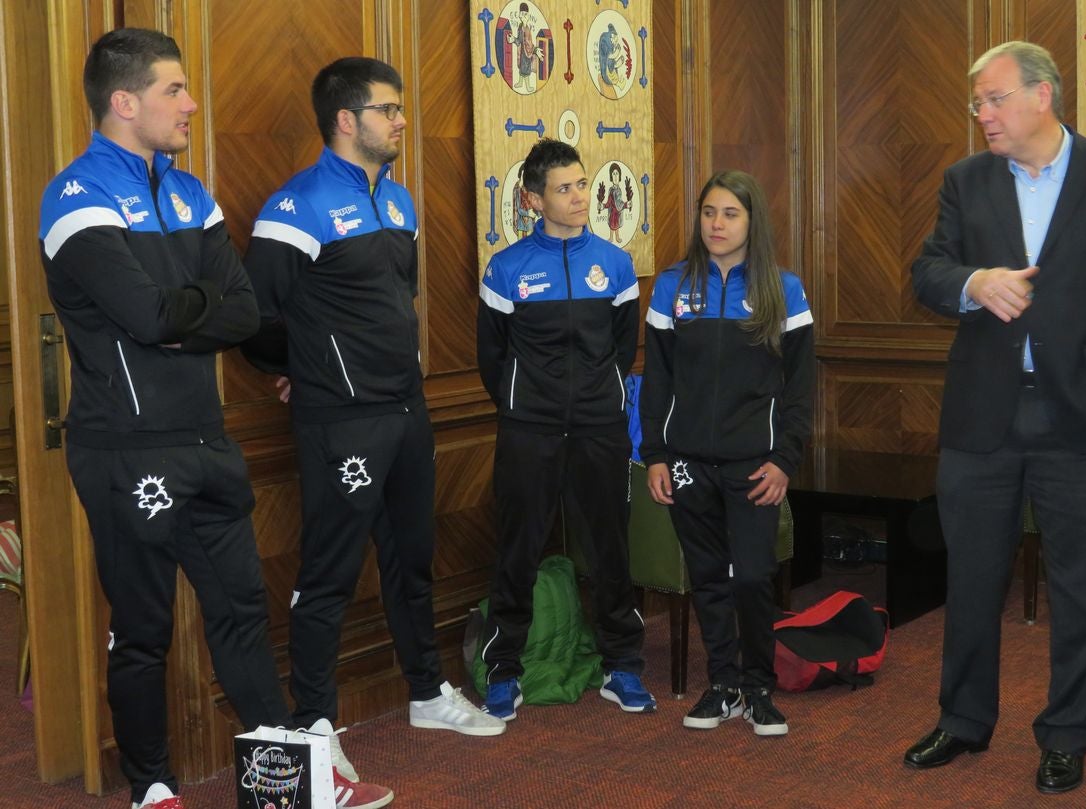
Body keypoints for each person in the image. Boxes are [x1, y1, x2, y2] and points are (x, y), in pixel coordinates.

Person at [37, 29, 392, 809]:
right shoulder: (75, 197)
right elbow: (145, 315)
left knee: (240, 612)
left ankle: (288, 787)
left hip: (207, 441)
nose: (191, 103)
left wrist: (181, 315)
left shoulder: (192, 193)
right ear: (124, 101)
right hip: (126, 449)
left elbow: (243, 312)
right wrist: (187, 311)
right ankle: (152, 786)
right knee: (143, 628)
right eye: (174, 90)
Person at [904, 41, 1086, 794]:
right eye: (977, 104)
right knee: (971, 579)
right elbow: (926, 273)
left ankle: (1067, 732)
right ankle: (963, 719)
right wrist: (974, 282)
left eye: (993, 99)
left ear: (1042, 94)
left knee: (1084, 588)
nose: (982, 115)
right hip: (982, 416)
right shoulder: (965, 180)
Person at [241, 55, 505, 763]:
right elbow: (254, 315)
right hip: (341, 420)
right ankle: (314, 722)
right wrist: (297, 367)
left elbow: (397, 298)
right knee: (328, 573)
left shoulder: (399, 202)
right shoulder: (296, 206)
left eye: (400, 108)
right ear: (345, 119)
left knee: (412, 559)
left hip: (406, 409)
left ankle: (427, 691)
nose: (400, 121)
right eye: (388, 109)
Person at [476, 138, 655, 720]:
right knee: (518, 550)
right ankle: (504, 672)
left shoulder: (616, 264)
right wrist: (526, 403)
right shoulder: (506, 269)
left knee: (609, 548)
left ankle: (623, 666)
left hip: (600, 428)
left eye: (582, 184)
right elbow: (491, 358)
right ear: (534, 199)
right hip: (529, 431)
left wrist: (598, 401)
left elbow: (623, 347)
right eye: (565, 188)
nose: (580, 197)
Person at [639, 170, 814, 737]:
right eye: (708, 212)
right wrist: (655, 454)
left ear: (751, 220)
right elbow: (657, 379)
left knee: (754, 576)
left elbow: (801, 388)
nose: (716, 224)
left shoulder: (783, 289)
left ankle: (758, 686)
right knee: (709, 576)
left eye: (730, 214)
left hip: (755, 464)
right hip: (686, 461)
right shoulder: (672, 286)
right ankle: (723, 685)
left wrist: (785, 460)